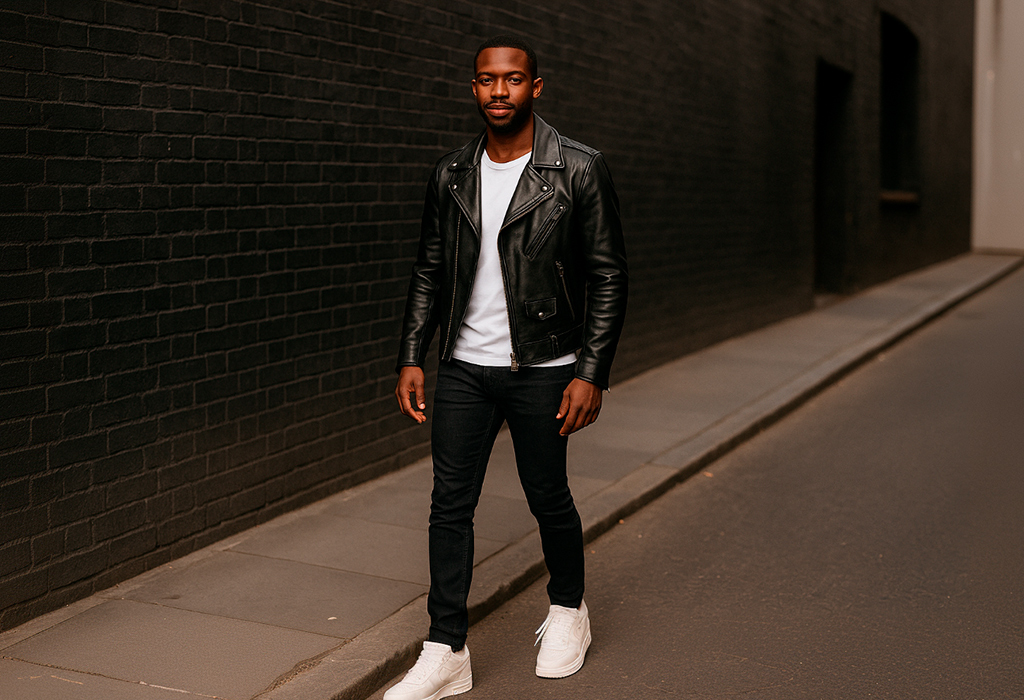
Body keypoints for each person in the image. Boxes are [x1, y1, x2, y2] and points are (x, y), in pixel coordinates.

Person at [388, 34, 628, 700]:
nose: (500, 91)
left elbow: (609, 275)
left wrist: (592, 370)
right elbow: (429, 270)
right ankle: (445, 650)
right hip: (465, 366)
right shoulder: (451, 173)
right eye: (487, 80)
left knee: (548, 497)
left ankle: (568, 610)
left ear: (535, 87)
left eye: (514, 80)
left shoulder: (578, 169)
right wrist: (413, 352)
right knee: (448, 505)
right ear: (474, 87)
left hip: (546, 367)